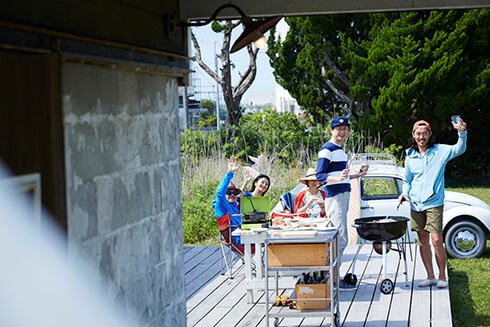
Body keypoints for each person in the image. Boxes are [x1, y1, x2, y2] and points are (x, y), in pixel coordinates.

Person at [398, 118, 467, 289]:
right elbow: (407, 179)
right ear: (413, 135)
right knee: (422, 240)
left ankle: (442, 276)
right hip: (415, 204)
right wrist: (405, 193)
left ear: (429, 134)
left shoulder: (440, 151)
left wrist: (462, 132)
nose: (421, 137)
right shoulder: (410, 156)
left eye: (424, 133)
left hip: (434, 202)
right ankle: (430, 276)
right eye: (418, 133)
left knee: (436, 240)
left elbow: (460, 148)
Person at [316, 116, 369, 289]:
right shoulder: (327, 149)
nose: (342, 131)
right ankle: (332, 280)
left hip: (343, 196)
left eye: (345, 128)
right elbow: (320, 176)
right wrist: (338, 177)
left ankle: (331, 278)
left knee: (338, 238)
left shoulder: (339, 149)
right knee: (341, 239)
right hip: (336, 197)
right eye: (338, 128)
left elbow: (341, 177)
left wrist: (357, 175)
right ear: (331, 130)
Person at [212, 156, 245, 245]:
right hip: (239, 240)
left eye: (234, 193)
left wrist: (246, 182)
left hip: (245, 235)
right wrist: (230, 173)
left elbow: (242, 195)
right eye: (229, 192)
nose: (232, 195)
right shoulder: (222, 206)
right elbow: (219, 193)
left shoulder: (235, 206)